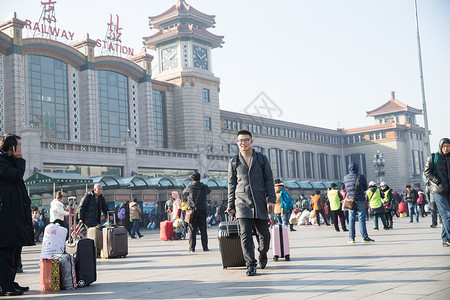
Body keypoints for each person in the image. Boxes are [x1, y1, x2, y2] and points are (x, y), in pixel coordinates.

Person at [227, 130, 276, 276]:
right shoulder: (234, 161)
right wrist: (230, 205)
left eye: (246, 140)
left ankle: (262, 253)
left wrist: (272, 200)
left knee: (264, 235)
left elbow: (269, 179)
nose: (243, 143)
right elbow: (231, 184)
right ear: (237, 143)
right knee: (245, 235)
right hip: (241, 202)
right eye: (240, 141)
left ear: (251, 142)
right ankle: (250, 264)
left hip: (260, 201)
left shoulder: (261, 159)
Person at [0, 133, 34, 296]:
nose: (21, 150)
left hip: (15, 215)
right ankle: (4, 285)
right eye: (19, 147)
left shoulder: (9, 162)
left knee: (15, 251)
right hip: (6, 216)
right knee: (7, 252)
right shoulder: (1, 161)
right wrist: (20, 159)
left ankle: (9, 281)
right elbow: (16, 176)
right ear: (12, 148)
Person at [424, 138, 450, 247]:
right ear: (440, 146)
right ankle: (448, 238)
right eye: (444, 146)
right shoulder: (433, 157)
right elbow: (427, 172)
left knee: (446, 216)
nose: (446, 148)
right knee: (447, 215)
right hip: (438, 190)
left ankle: (445, 239)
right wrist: (437, 181)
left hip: (449, 190)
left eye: (448, 146)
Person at [343, 162, 374, 243]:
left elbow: (346, 188)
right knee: (361, 218)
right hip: (360, 199)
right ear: (357, 168)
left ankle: (351, 238)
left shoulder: (345, 178)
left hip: (350, 200)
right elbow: (365, 188)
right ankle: (364, 237)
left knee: (351, 218)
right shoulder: (361, 176)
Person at [183, 171, 211, 252]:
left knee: (192, 229)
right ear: (200, 178)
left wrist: (189, 185)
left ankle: (192, 248)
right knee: (203, 229)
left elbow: (184, 193)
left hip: (192, 211)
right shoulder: (204, 186)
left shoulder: (190, 186)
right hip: (202, 210)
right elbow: (209, 191)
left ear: (192, 179)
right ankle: (205, 247)